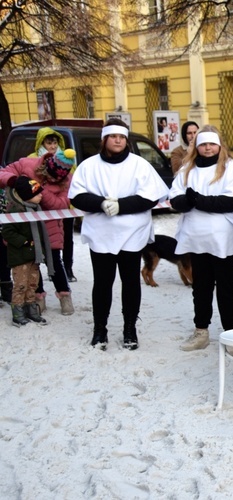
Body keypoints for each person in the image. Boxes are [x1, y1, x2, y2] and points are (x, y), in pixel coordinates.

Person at [69, 118, 170, 350]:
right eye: (114, 136)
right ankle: (100, 330)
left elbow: (150, 196)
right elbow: (77, 196)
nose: (118, 140)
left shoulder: (139, 164)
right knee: (103, 283)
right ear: (104, 139)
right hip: (101, 234)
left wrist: (121, 205)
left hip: (132, 234)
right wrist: (101, 203)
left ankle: (129, 329)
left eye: (122, 137)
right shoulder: (89, 166)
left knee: (130, 282)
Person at [170, 125, 233, 351]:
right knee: (201, 287)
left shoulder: (231, 168)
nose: (207, 148)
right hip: (197, 240)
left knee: (227, 288)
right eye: (203, 144)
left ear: (219, 145)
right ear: (196, 146)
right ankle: (201, 331)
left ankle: (232, 333)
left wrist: (198, 201)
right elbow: (175, 196)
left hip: (224, 239)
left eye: (211, 144)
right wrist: (186, 201)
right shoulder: (188, 168)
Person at [0, 149, 77, 315]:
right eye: (51, 175)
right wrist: (15, 181)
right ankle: (38, 297)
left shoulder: (68, 180)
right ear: (47, 166)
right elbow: (3, 173)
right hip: (25, 225)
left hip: (50, 226)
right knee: (32, 261)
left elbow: (61, 204)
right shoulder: (27, 164)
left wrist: (40, 191)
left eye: (57, 179)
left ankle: (64, 296)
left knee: (55, 262)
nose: (53, 179)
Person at [29, 127, 78, 284]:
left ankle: (68, 268)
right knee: (43, 241)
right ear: (41, 143)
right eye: (49, 143)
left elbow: (74, 181)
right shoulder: (32, 158)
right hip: (42, 208)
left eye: (55, 142)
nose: (53, 146)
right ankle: (48, 271)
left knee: (66, 240)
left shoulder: (66, 158)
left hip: (65, 208)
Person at [2, 176, 52, 326]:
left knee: (33, 283)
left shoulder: (36, 210)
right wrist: (23, 241)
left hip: (33, 255)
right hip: (20, 256)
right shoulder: (16, 210)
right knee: (21, 284)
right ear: (27, 196)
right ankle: (17, 312)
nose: (41, 195)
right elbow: (7, 232)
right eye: (37, 194)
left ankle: (31, 309)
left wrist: (40, 249)